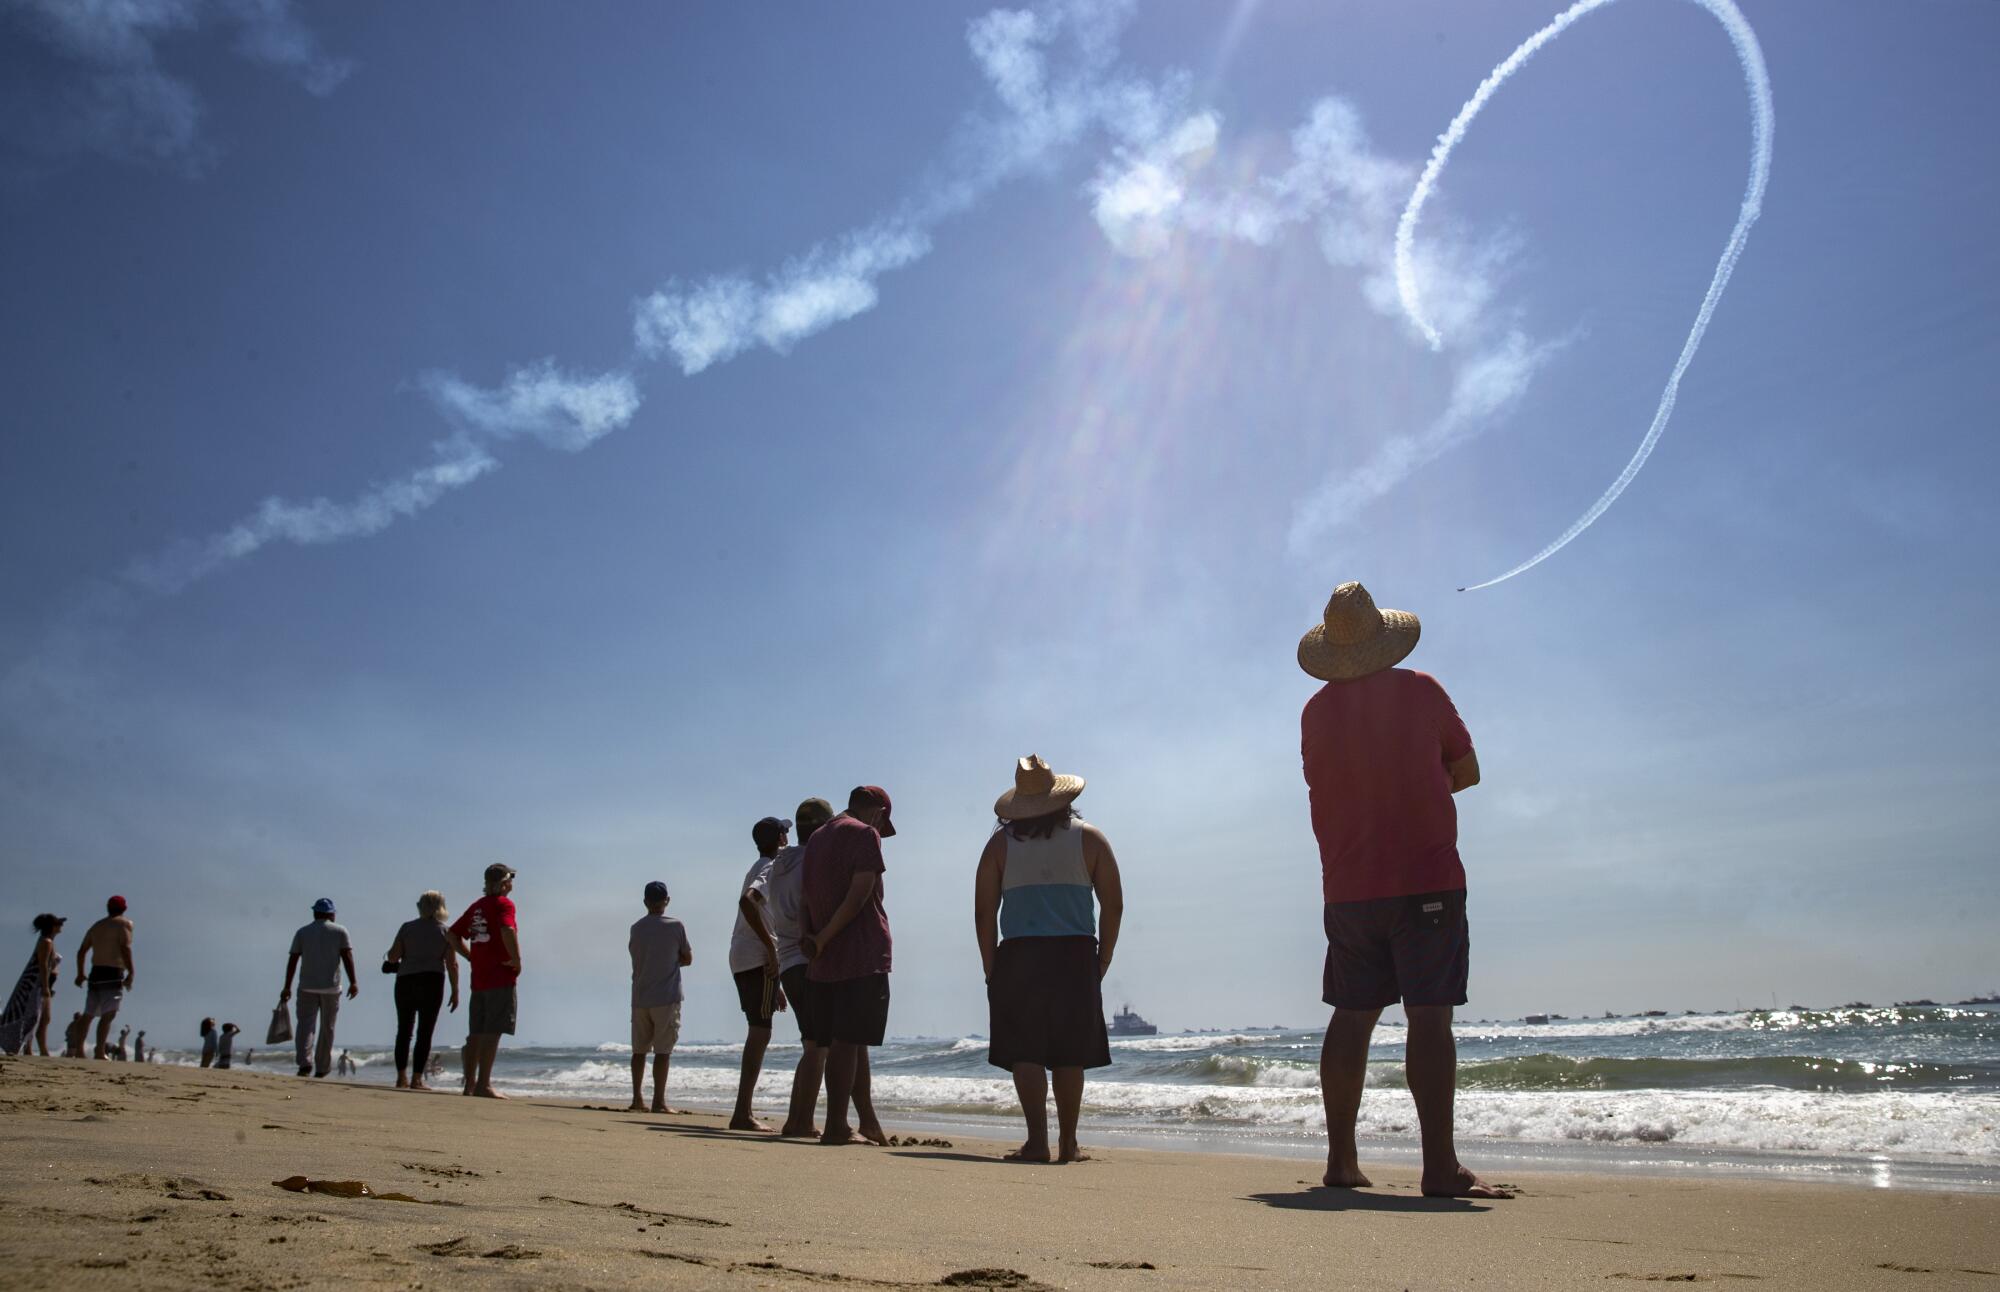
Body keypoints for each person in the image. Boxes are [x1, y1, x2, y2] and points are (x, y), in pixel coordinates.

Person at [1298, 582, 1509, 1199]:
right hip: (1424, 879)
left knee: (1352, 1016)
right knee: (1429, 1016)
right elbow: (1467, 771)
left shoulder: (1315, 712)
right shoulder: (1420, 689)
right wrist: (1428, 776)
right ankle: (1438, 1168)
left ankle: (1341, 1161)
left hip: (1347, 885)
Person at [975, 756, 1124, 1164]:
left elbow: (984, 912)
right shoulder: (1089, 838)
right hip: (1075, 952)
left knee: (1026, 1051)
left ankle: (1037, 1141)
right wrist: (1102, 958)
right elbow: (1113, 904)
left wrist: (991, 967)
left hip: (1020, 954)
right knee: (1069, 1053)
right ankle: (1068, 1143)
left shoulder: (1000, 845)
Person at [801, 785, 898, 1146]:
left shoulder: (817, 838)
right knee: (847, 1042)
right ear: (877, 811)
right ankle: (837, 1125)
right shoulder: (865, 834)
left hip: (823, 959)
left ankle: (867, 1122)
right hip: (860, 951)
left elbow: (804, 896)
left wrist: (810, 937)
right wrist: (824, 937)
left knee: (852, 1042)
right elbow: (859, 895)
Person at [751, 797, 837, 1137]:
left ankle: (796, 1119)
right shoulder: (814, 860)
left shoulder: (779, 862)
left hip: (786, 960)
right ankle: (800, 1121)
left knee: (811, 1043)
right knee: (820, 1046)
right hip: (808, 956)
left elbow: (753, 899)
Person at [726, 816, 791, 1131]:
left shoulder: (758, 865)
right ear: (780, 838)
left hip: (744, 955)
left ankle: (743, 1110)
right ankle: (742, 1112)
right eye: (786, 833)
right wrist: (770, 949)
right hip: (755, 955)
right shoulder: (769, 868)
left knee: (759, 1027)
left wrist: (775, 984)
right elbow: (749, 902)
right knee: (760, 1031)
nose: (788, 837)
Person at [448, 864, 520, 1098]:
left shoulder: (477, 906)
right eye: (510, 879)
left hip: (479, 977)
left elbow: (452, 934)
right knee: (492, 1031)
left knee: (476, 1032)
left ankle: (469, 1083)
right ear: (504, 883)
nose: (512, 884)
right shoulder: (503, 904)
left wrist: (471, 957)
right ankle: (483, 1084)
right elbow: (507, 929)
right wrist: (516, 959)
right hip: (499, 975)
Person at [627, 881, 692, 1113]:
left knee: (639, 1050)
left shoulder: (636, 928)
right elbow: (687, 957)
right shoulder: (675, 926)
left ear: (645, 902)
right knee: (663, 1051)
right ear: (667, 900)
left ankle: (637, 1098)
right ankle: (659, 1101)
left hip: (641, 995)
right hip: (666, 995)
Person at [387, 890, 460, 1091]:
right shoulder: (446, 932)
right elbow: (452, 964)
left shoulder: (407, 928)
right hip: (432, 980)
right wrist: (455, 990)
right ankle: (417, 1079)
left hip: (406, 979)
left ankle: (401, 1077)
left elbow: (393, 957)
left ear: (421, 906)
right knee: (425, 1032)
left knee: (404, 1030)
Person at [279, 897, 359, 1079]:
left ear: (315, 913)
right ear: (331, 914)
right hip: (331, 987)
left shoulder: (303, 932)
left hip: (307, 986)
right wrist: (353, 981)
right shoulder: (340, 931)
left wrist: (287, 987)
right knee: (327, 1028)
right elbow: (347, 957)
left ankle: (305, 1064)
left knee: (306, 1026)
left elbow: (293, 960)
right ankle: (322, 1068)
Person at [74, 896, 135, 1060]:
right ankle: (100, 1051)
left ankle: (78, 1050)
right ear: (124, 908)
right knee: (108, 1015)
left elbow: (81, 952)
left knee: (88, 1014)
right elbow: (125, 948)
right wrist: (131, 972)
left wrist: (80, 973)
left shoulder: (97, 926)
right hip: (113, 972)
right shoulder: (125, 924)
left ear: (108, 908)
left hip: (96, 972)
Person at [0, 914, 63, 1056]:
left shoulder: (49, 941)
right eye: (59, 923)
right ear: (53, 927)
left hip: (43, 984)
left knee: (42, 1018)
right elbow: (43, 965)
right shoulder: (46, 942)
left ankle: (36, 1049)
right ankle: (31, 1049)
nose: (61, 926)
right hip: (36, 985)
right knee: (34, 1016)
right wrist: (46, 987)